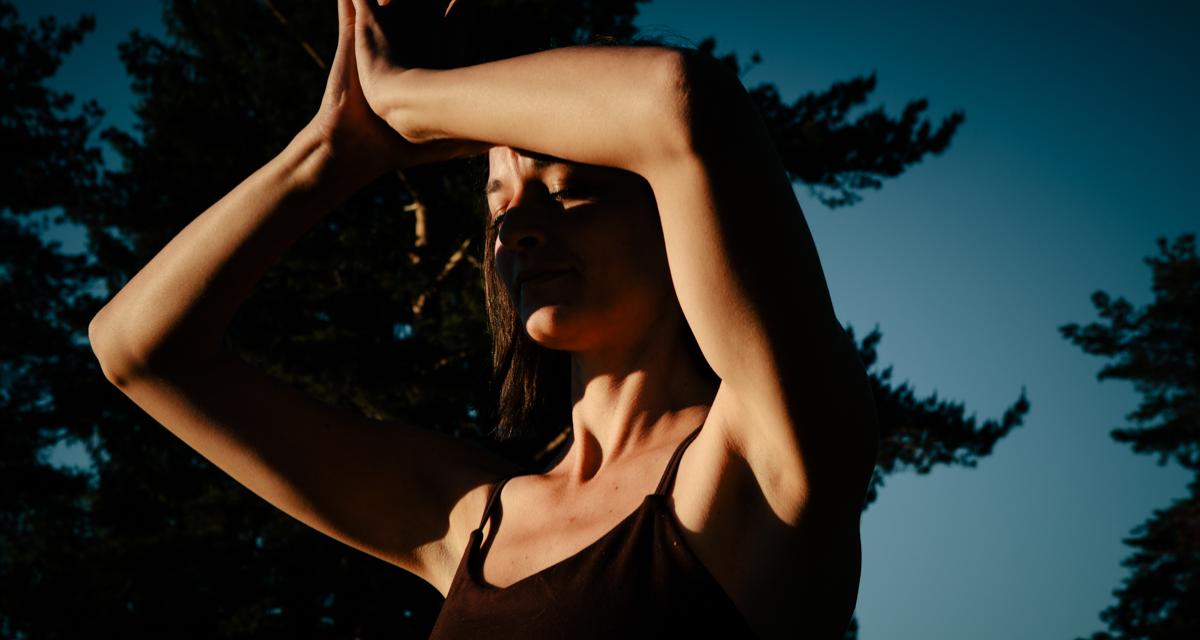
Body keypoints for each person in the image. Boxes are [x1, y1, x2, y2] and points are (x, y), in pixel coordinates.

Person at [88, 0, 880, 637]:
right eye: (498, 203)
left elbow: (681, 105)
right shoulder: (474, 516)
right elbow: (138, 349)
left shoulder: (767, 450)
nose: (517, 228)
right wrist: (336, 148)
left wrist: (405, 95)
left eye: (568, 187)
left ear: (675, 212)